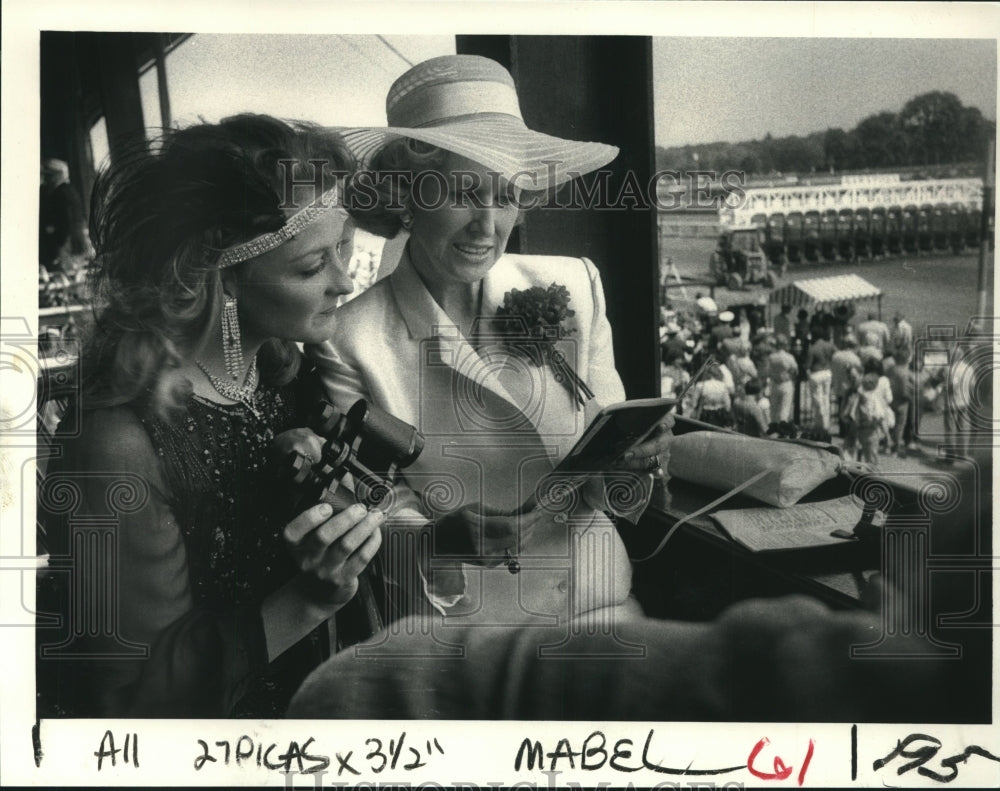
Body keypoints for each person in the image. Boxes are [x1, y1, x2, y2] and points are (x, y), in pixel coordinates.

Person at [36, 116, 385, 718]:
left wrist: (439, 539)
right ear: (221, 280)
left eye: (345, 248)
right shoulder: (120, 444)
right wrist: (309, 597)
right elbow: (138, 700)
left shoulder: (280, 371)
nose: (343, 282)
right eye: (310, 267)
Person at [308, 55, 670, 628]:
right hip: (466, 633)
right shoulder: (349, 339)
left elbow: (611, 490)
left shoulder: (575, 286)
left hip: (601, 607)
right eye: (462, 193)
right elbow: (368, 513)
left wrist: (632, 468)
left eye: (505, 196)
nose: (487, 225)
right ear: (406, 196)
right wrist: (441, 539)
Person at [39, 157, 90, 273]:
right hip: (76, 243)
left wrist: (59, 249)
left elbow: (66, 223)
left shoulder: (60, 193)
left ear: (56, 176)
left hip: (66, 246)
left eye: (48, 176)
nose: (46, 180)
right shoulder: (70, 190)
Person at [805, 325, 835, 432]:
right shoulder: (829, 346)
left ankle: (820, 423)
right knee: (826, 398)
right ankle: (825, 424)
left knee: (817, 400)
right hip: (827, 372)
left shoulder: (813, 348)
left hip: (816, 373)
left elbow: (808, 365)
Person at [765, 333, 798, 424]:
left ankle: (774, 427)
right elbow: (795, 370)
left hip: (775, 383)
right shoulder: (789, 357)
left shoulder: (771, 357)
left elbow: (768, 371)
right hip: (786, 382)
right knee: (785, 409)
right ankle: (783, 428)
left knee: (774, 409)